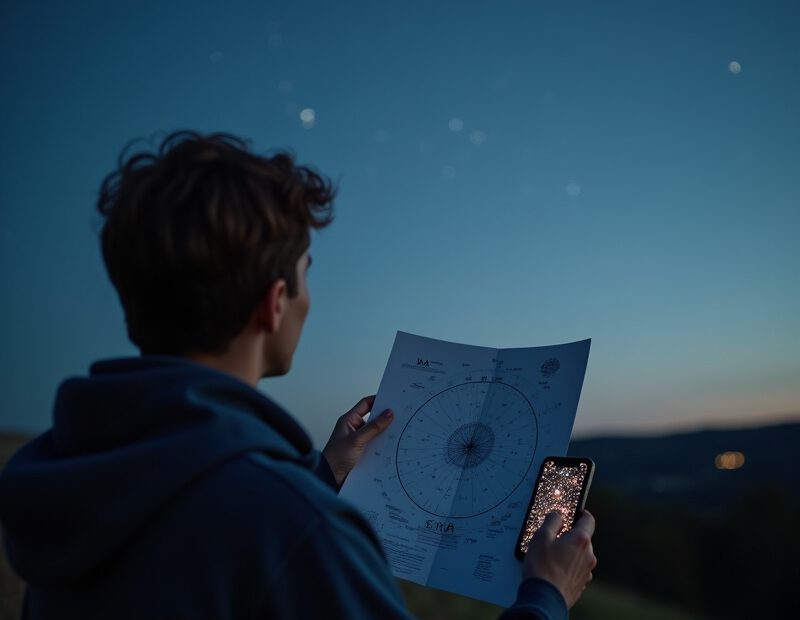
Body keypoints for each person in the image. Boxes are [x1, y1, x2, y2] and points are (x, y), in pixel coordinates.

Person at [0, 131, 596, 619]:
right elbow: (244, 528)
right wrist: (545, 594)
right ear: (275, 301)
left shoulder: (68, 481)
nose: (312, 299)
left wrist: (323, 470)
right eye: (307, 274)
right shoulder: (293, 530)